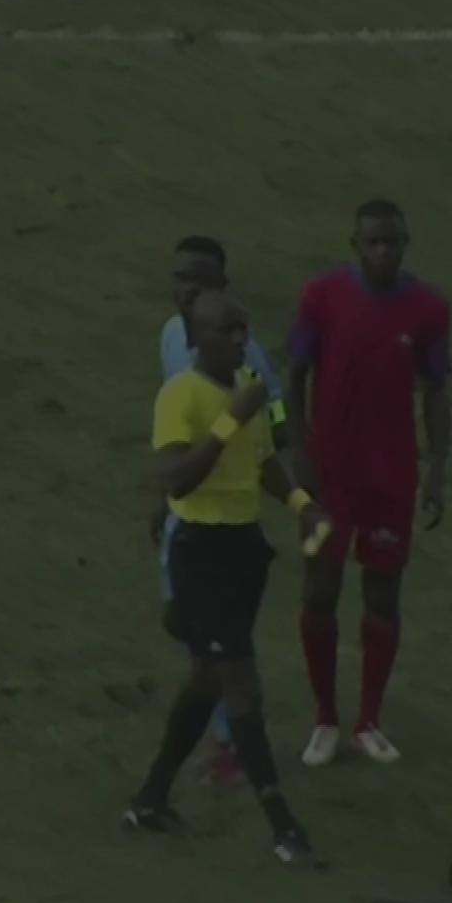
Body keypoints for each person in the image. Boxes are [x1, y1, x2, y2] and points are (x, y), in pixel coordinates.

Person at [124, 290, 331, 869]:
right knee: (241, 682)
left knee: (207, 678)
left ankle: (149, 799)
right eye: (225, 330)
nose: (239, 340)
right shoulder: (181, 396)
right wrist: (228, 420)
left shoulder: (250, 386)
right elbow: (176, 479)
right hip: (200, 552)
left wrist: (302, 504)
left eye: (243, 329)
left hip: (243, 550)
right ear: (196, 339)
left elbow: (262, 460)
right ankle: (283, 826)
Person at [285, 199, 452, 766]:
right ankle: (325, 718)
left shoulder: (428, 309)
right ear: (355, 244)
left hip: (390, 476)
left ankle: (368, 721)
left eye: (392, 241)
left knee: (382, 594)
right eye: (373, 242)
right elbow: (295, 376)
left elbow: (436, 391)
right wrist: (298, 450)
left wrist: (437, 468)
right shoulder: (322, 296)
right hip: (329, 474)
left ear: (406, 243)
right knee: (320, 590)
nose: (383, 251)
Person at [153, 236, 288, 786]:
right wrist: (157, 501)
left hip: (225, 517)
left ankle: (230, 744)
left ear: (221, 288)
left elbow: (275, 413)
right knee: (183, 623)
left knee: (221, 641)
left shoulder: (244, 356)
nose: (189, 289)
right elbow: (173, 429)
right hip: (184, 510)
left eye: (202, 280)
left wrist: (265, 438)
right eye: (182, 277)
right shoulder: (170, 335)